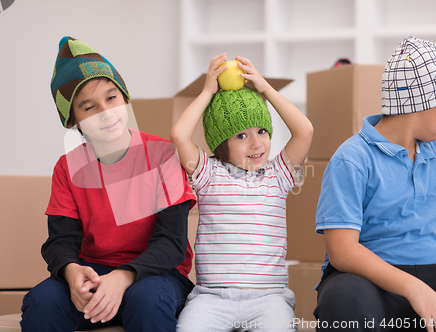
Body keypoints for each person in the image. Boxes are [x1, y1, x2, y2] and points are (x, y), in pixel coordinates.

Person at [20, 36, 197, 332]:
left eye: (111, 98)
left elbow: (172, 244)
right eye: (88, 107)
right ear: (73, 120)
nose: (105, 112)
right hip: (95, 275)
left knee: (147, 301)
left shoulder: (162, 155)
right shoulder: (68, 168)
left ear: (125, 98)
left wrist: (124, 276)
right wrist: (71, 271)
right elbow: (61, 241)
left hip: (158, 275)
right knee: (42, 301)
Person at [171, 54, 314, 331]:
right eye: (241, 136)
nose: (256, 143)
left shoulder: (277, 175)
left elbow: (305, 130)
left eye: (262, 130)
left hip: (268, 299)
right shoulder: (208, 173)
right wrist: (207, 92)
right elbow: (179, 134)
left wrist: (265, 88)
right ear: (221, 144)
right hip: (211, 299)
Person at [314, 36, 436, 332]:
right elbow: (342, 251)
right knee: (344, 302)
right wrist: (412, 286)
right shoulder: (352, 159)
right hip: (369, 279)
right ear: (422, 105)